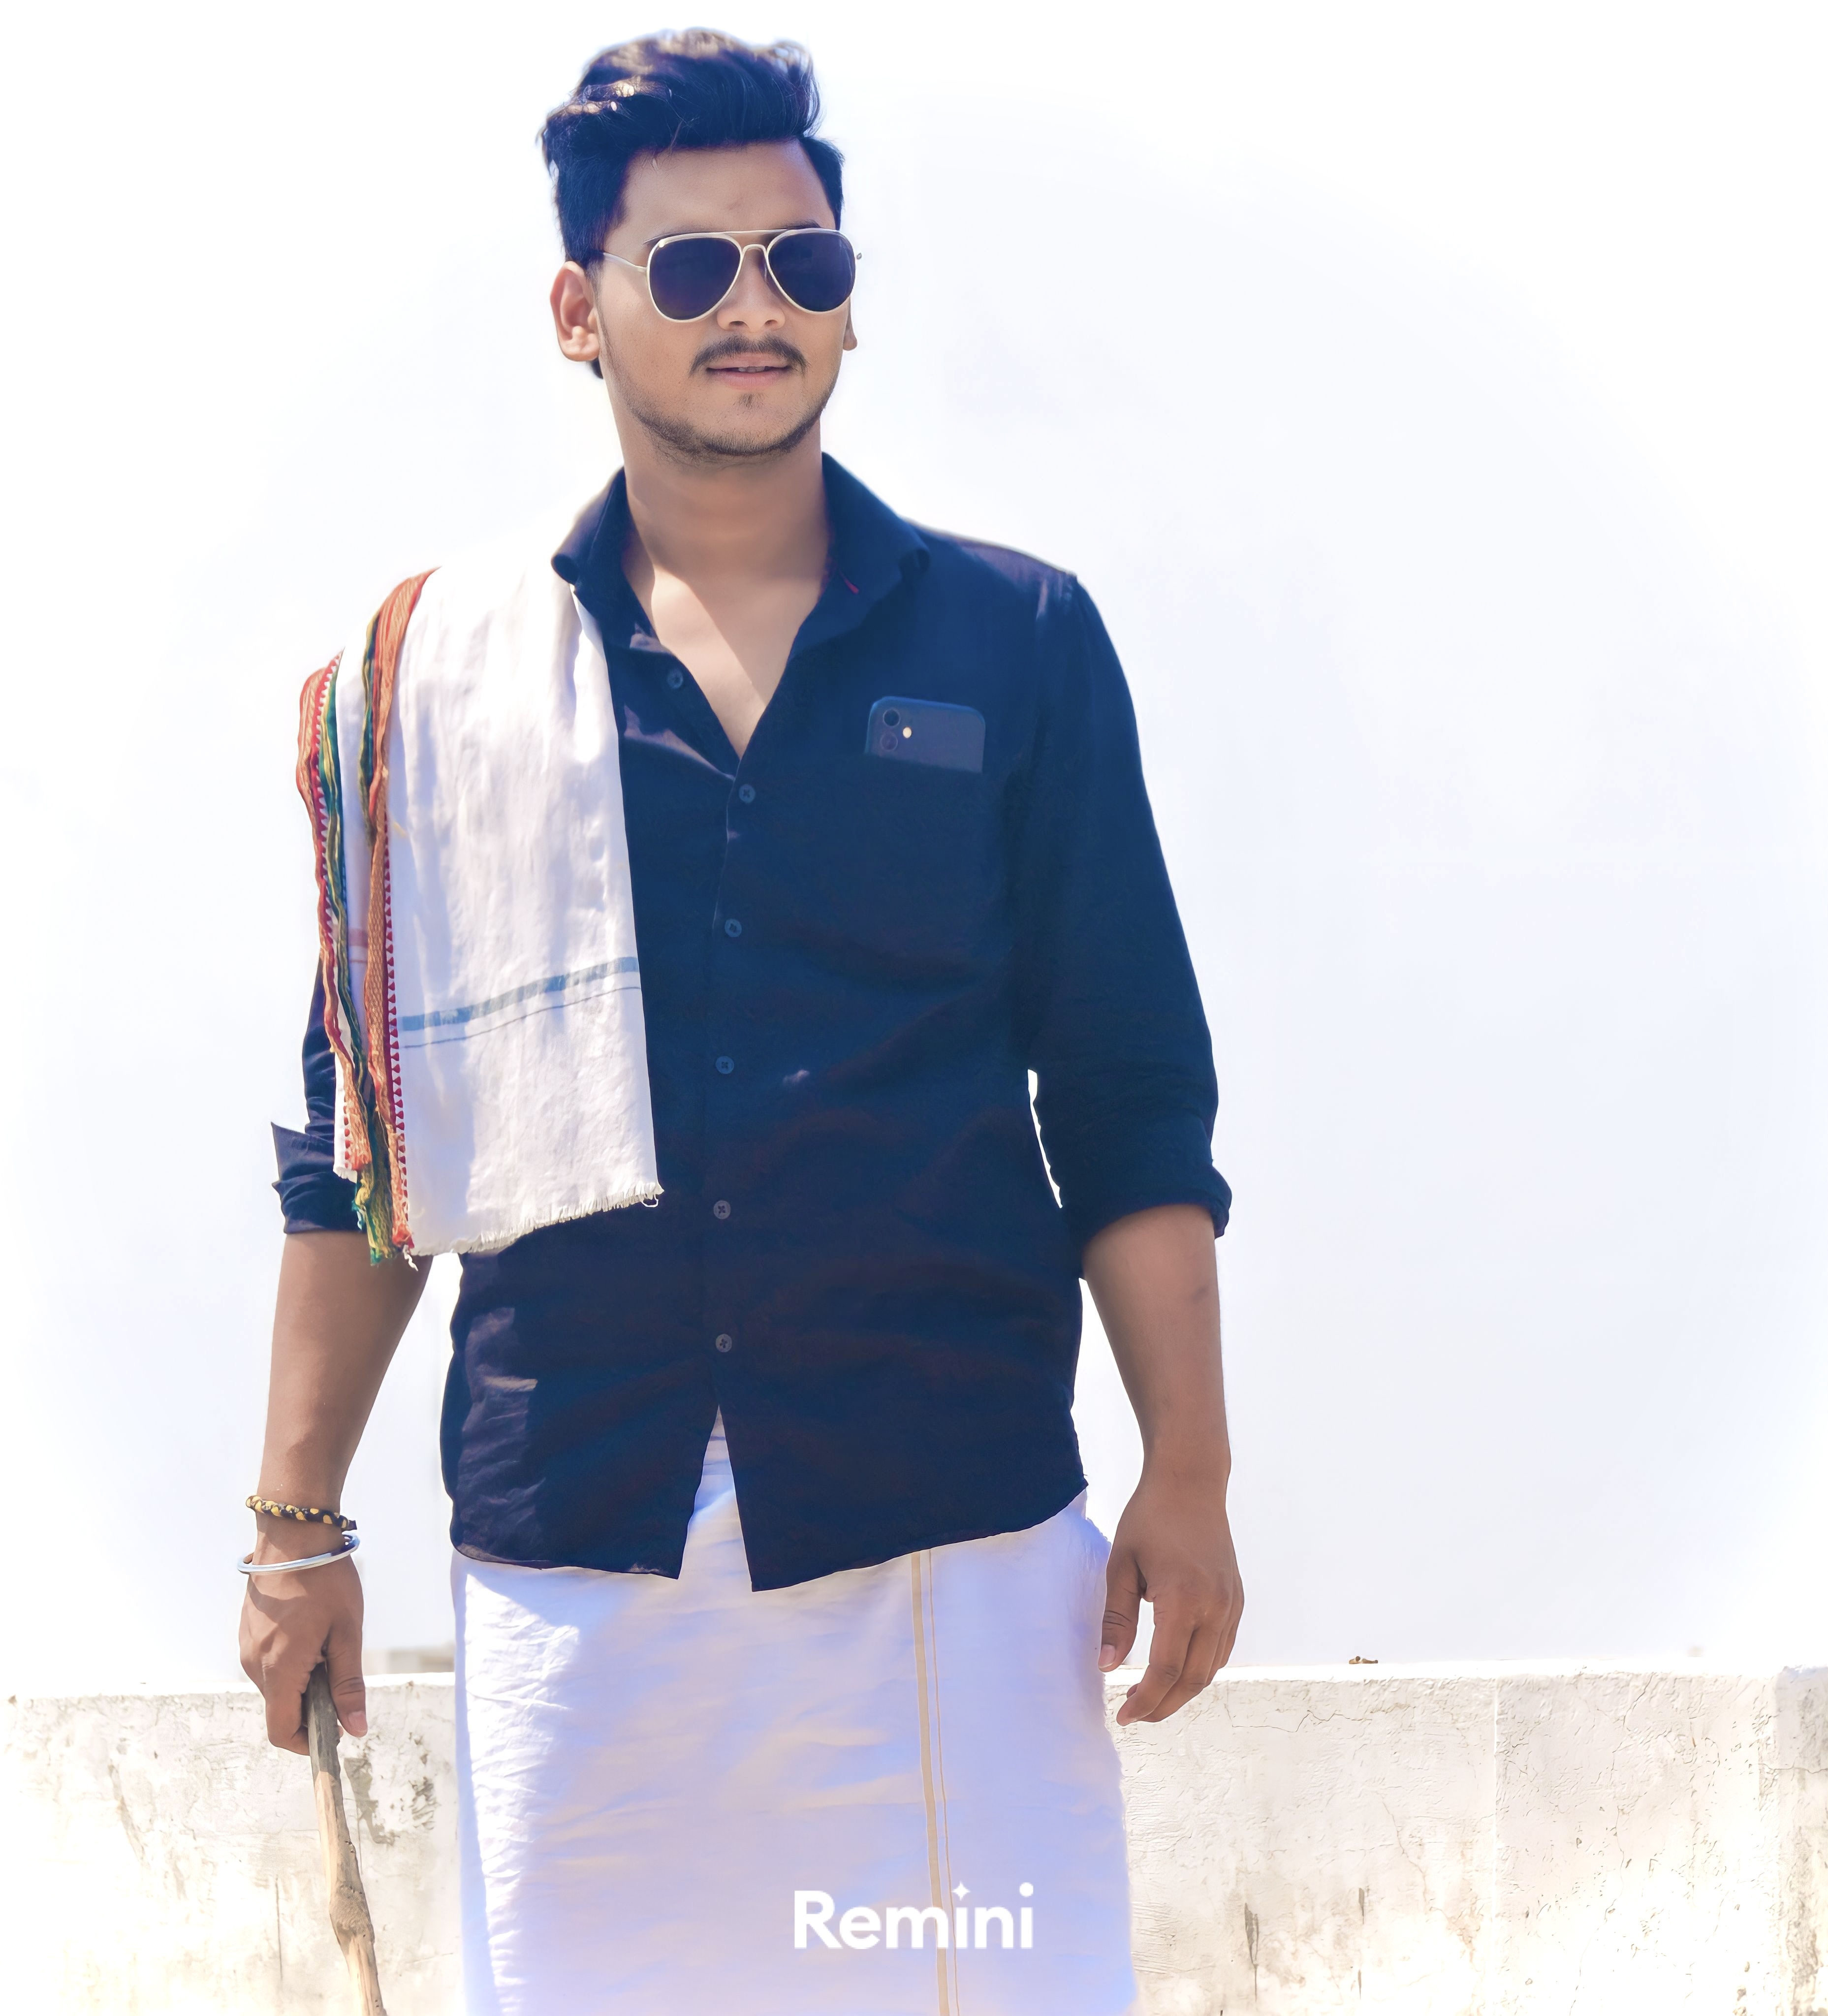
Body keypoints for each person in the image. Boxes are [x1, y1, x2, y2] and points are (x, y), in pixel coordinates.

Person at [241, 29, 1242, 2016]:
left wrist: (1189, 1477)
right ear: (578, 311)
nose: (754, 309)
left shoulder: (1014, 640)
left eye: (803, 263)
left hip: (945, 1539)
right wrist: (293, 1531)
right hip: (578, 1554)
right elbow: (364, 1142)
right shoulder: (443, 681)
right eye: (691, 267)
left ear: (851, 300)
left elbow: (1128, 1092)